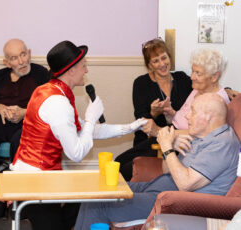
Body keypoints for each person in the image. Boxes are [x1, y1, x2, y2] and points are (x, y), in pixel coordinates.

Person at [10, 40, 147, 230]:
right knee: (76, 209)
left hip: (38, 175)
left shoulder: (51, 91)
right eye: (84, 66)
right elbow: (76, 153)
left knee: (82, 203)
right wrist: (91, 119)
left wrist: (131, 127)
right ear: (71, 70)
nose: (86, 71)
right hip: (36, 182)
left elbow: (84, 131)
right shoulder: (57, 102)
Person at [74, 93, 240, 229]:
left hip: (171, 202)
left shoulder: (222, 144)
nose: (187, 116)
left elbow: (185, 184)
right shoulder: (200, 135)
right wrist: (171, 147)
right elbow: (167, 170)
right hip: (157, 188)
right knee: (97, 192)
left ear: (209, 117)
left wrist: (167, 147)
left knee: (100, 204)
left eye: (193, 111)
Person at [116, 47, 230, 180]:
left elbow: (204, 136)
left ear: (215, 76)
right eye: (193, 71)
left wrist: (158, 131)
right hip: (169, 135)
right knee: (118, 161)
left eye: (198, 73)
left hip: (179, 146)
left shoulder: (215, 102)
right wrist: (172, 115)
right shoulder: (197, 89)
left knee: (124, 170)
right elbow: (184, 120)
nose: (192, 77)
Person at [0, 39, 49, 221]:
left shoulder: (41, 74)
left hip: (28, 125)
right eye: (14, 58)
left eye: (23, 55)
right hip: (0, 125)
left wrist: (26, 112)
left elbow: (51, 106)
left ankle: (15, 197)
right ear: (7, 62)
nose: (21, 61)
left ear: (29, 53)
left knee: (20, 138)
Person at [115, 38, 192, 180]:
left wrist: (228, 91)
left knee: (124, 170)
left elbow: (203, 88)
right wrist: (153, 113)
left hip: (176, 142)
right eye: (156, 61)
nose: (162, 64)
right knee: (117, 164)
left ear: (169, 57)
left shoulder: (182, 79)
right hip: (148, 141)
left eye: (164, 58)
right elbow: (140, 120)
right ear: (149, 64)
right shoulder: (141, 83)